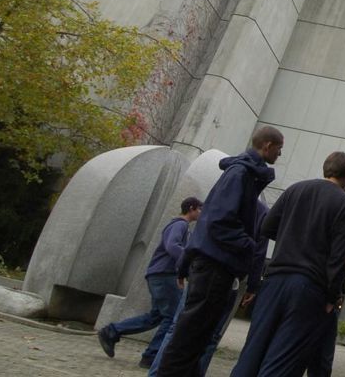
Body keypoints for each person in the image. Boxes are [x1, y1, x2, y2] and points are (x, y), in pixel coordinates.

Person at [156, 126, 283, 376]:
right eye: (279, 149)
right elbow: (217, 222)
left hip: (215, 266)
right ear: (267, 146)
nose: (280, 154)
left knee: (196, 337)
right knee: (190, 337)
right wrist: (249, 245)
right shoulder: (240, 174)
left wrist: (186, 262)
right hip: (215, 268)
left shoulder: (244, 174)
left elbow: (207, 223)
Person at [230, 151, 345, 377]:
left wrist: (293, 237)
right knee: (283, 358)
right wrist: (332, 296)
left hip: (274, 279)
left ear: (325, 168)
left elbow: (266, 227)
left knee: (253, 350)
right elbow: (338, 258)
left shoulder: (295, 189)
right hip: (309, 288)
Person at [146, 200, 269, 377]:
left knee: (178, 327)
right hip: (228, 276)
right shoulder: (261, 212)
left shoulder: (221, 201)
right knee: (210, 336)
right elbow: (258, 252)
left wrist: (184, 267)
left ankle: (157, 373)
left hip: (201, 270)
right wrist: (252, 285)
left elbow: (197, 237)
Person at [96, 197, 202, 368]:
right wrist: (190, 261)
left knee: (156, 316)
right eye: (200, 209)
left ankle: (112, 331)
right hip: (163, 275)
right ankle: (151, 356)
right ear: (191, 208)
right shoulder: (180, 225)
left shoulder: (180, 226)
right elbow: (172, 246)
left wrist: (181, 274)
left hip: (160, 275)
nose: (201, 213)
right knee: (171, 317)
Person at [308, 182, 345, 377]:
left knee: (321, 357)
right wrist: (333, 296)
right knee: (319, 356)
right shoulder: (333, 216)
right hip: (321, 297)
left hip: (325, 296)